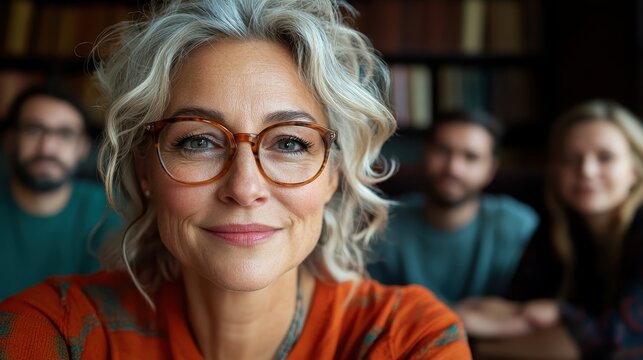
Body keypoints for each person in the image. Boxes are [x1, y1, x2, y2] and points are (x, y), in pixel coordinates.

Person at [0, 1, 471, 358]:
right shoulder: (53, 331)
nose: (245, 188)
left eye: (290, 143)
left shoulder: (410, 339)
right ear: (144, 169)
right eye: (198, 141)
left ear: (333, 174)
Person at [457, 100, 643, 358]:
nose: (586, 171)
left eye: (605, 158)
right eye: (571, 159)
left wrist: (560, 314)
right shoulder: (558, 228)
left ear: (635, 170)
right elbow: (519, 309)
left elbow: (613, 340)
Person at [368, 110, 539, 304]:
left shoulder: (519, 226)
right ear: (425, 153)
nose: (453, 168)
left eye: (471, 157)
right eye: (443, 151)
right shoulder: (382, 224)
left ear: (490, 170)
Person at [0, 85, 122, 300]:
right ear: (10, 139)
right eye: (33, 130)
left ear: (83, 147)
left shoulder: (110, 210)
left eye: (65, 134)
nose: (47, 148)